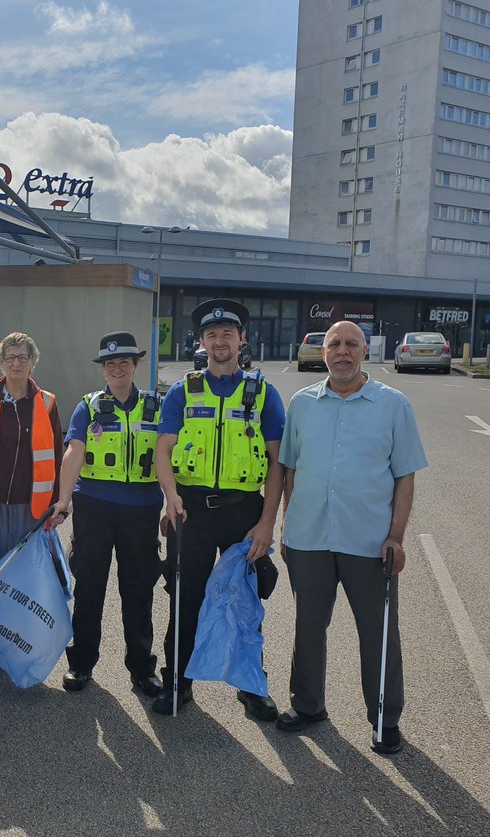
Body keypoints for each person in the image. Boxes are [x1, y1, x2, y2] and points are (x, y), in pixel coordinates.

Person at [276, 320, 427, 754]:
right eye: (334, 344)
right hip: (310, 538)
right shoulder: (302, 404)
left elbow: (405, 477)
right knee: (308, 627)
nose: (342, 351)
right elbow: (288, 470)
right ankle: (307, 706)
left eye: (351, 345)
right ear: (323, 352)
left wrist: (396, 537)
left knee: (378, 634)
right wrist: (288, 526)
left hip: (368, 543)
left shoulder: (393, 405)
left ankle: (384, 718)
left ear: (365, 352)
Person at [153, 299, 285, 719]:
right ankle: (177, 682)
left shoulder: (262, 393)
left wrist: (267, 523)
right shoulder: (183, 391)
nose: (220, 340)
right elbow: (163, 450)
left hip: (243, 513)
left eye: (228, 333)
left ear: (241, 338)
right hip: (189, 511)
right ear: (202, 341)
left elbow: (278, 463)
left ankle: (252, 686)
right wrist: (170, 496)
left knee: (245, 602)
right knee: (184, 599)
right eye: (212, 334)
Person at [52, 332, 164, 697]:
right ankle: (80, 663)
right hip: (94, 509)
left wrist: (177, 500)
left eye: (124, 362)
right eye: (110, 363)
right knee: (89, 588)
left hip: (142, 511)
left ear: (135, 366)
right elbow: (74, 452)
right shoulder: (88, 405)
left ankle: (142, 668)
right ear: (103, 369)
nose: (117, 368)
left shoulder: (156, 406)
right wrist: (62, 500)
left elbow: (171, 455)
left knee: (138, 590)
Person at [0, 332, 63, 672]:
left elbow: (59, 455)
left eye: (23, 357)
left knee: (22, 580)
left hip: (31, 507)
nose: (16, 363)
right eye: (10, 357)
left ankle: (21, 645)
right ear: (0, 362)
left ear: (34, 361)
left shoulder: (47, 402)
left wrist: (59, 501)